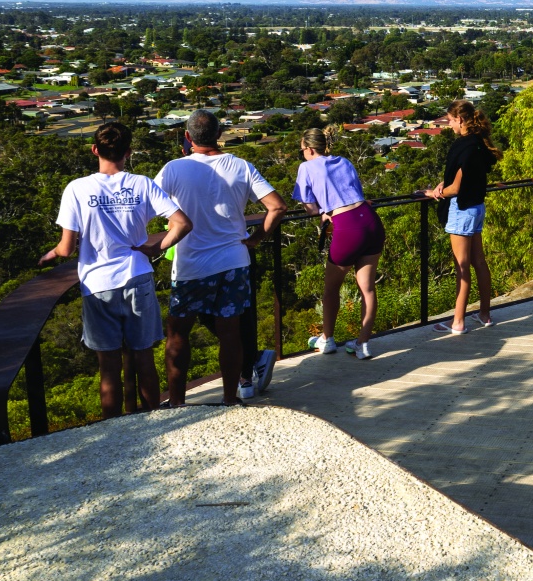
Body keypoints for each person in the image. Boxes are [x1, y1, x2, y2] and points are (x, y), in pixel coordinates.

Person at [39, 122, 192, 418]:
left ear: (95, 150)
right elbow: (183, 223)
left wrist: (51, 255)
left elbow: (66, 248)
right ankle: (156, 422)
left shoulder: (77, 189)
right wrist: (156, 248)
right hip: (137, 275)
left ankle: (112, 432)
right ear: (128, 152)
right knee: (143, 357)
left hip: (98, 284)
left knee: (108, 367)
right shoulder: (142, 184)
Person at [155, 110, 287, 405]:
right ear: (219, 135)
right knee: (230, 334)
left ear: (187, 137)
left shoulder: (173, 169)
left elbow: (147, 208)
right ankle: (230, 398)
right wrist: (256, 239)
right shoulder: (241, 166)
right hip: (234, 262)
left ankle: (177, 403)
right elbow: (277, 207)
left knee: (178, 335)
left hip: (190, 265)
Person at [294, 128, 385, 360]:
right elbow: (357, 193)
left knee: (331, 288)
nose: (302, 153)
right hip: (370, 220)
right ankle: (363, 344)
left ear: (310, 149)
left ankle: (327, 339)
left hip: (347, 226)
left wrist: (323, 213)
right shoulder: (343, 161)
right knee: (367, 288)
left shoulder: (306, 168)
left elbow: (310, 206)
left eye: (302, 149)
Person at [425, 99, 500, 334]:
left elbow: (456, 188)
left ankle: (457, 322)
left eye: (450, 121)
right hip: (477, 207)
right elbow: (462, 176)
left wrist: (434, 193)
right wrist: (443, 184)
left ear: (459, 119)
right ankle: (484, 314)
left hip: (462, 208)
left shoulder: (464, 146)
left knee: (462, 267)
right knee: (479, 262)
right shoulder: (479, 144)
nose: (449, 125)